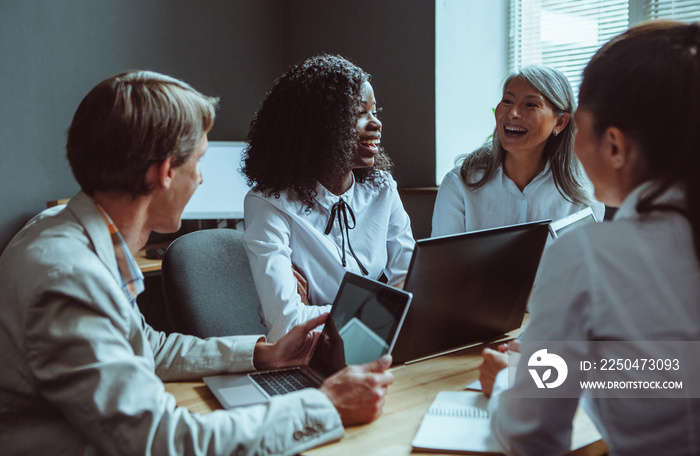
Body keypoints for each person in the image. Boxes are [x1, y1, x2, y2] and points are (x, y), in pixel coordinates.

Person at [0, 70, 395, 455]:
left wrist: (263, 353)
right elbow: (162, 442)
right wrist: (326, 406)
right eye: (199, 161)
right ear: (167, 172)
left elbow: (147, 348)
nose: (202, 180)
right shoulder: (70, 278)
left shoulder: (66, 231)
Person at [479, 21, 700, 455]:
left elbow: (532, 436)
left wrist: (509, 378)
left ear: (615, 146)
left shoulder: (591, 256)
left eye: (579, 128)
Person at [241, 54, 415, 342]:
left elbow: (413, 288)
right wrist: (385, 305)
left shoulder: (382, 188)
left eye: (375, 111)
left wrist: (317, 311)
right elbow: (288, 323)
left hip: (378, 344)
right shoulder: (269, 203)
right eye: (360, 113)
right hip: (312, 352)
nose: (376, 123)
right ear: (319, 126)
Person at [431, 65, 604, 237]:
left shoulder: (582, 192)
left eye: (530, 105)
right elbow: (442, 263)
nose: (513, 112)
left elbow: (588, 260)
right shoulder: (459, 185)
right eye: (507, 101)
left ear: (560, 123)